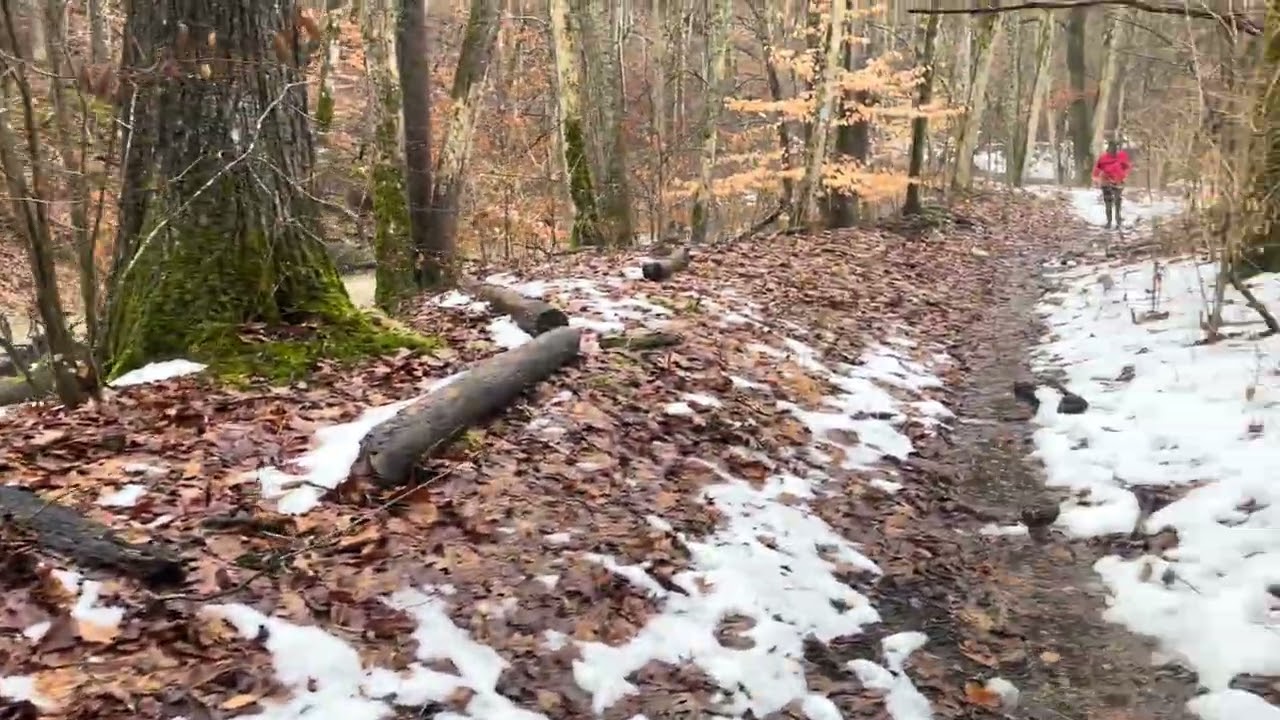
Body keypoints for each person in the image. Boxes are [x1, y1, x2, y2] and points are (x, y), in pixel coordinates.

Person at [1092, 140, 1132, 229]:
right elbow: (1097, 169)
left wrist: (1124, 176)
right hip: (1106, 182)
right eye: (1111, 149)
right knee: (1108, 202)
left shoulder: (1122, 156)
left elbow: (1127, 167)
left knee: (1117, 201)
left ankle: (1118, 220)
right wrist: (1096, 177)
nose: (1112, 151)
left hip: (1118, 182)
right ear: (1108, 149)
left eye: (1114, 149)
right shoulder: (1103, 158)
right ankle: (1109, 221)